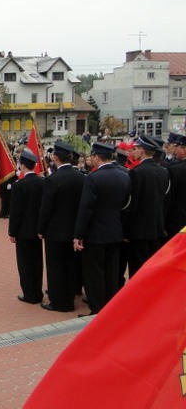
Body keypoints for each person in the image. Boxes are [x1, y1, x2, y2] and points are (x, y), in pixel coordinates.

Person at [74, 142, 131, 316]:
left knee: (94, 272)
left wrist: (78, 234)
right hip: (115, 230)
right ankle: (110, 306)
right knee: (112, 271)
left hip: (95, 233)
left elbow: (86, 209)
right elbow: (126, 206)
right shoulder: (125, 176)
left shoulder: (93, 178)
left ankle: (97, 308)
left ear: (97, 157)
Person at [37, 141, 86, 312]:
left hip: (55, 231)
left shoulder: (52, 179)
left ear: (55, 158)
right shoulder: (82, 178)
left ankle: (59, 301)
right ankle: (69, 296)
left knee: (56, 267)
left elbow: (46, 208)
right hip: (75, 230)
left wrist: (41, 229)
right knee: (71, 266)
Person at [124, 135, 170, 279]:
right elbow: (165, 201)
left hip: (139, 230)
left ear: (142, 150)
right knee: (153, 269)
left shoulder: (136, 172)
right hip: (157, 227)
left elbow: (133, 203)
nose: (134, 151)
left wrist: (126, 229)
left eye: (136, 148)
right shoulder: (163, 171)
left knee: (138, 270)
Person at [8, 151, 45, 305]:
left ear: (22, 166)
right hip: (38, 230)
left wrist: (12, 232)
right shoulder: (43, 182)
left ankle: (29, 294)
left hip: (23, 231)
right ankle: (38, 291)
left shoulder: (19, 185)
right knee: (37, 262)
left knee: (24, 264)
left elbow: (16, 212)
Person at [166, 134, 186, 239]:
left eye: (177, 148)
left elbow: (169, 197)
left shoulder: (175, 170)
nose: (175, 151)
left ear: (184, 149)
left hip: (177, 220)